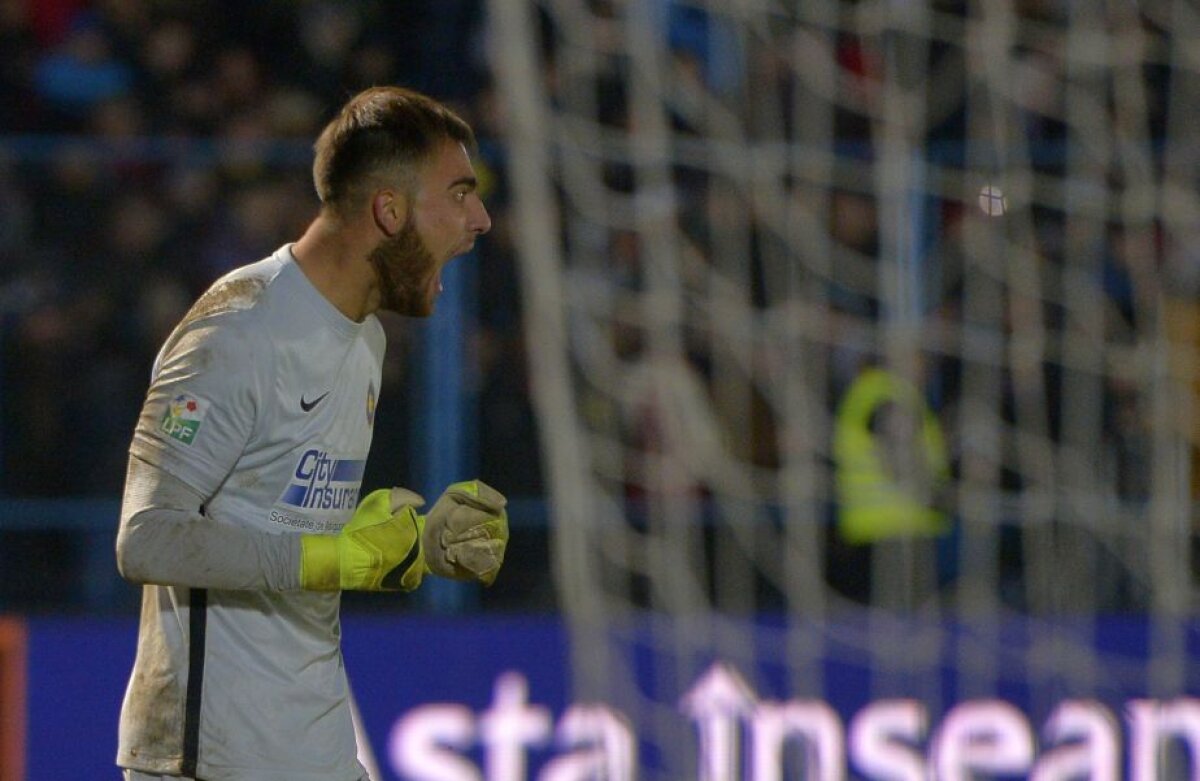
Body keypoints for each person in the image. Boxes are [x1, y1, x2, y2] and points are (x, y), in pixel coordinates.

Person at [114, 85, 508, 781]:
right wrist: (334, 559)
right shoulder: (236, 331)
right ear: (390, 210)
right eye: (458, 193)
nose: (478, 219)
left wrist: (413, 547)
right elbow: (146, 536)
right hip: (210, 763)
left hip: (317, 752)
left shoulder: (366, 342)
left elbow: (279, 516)